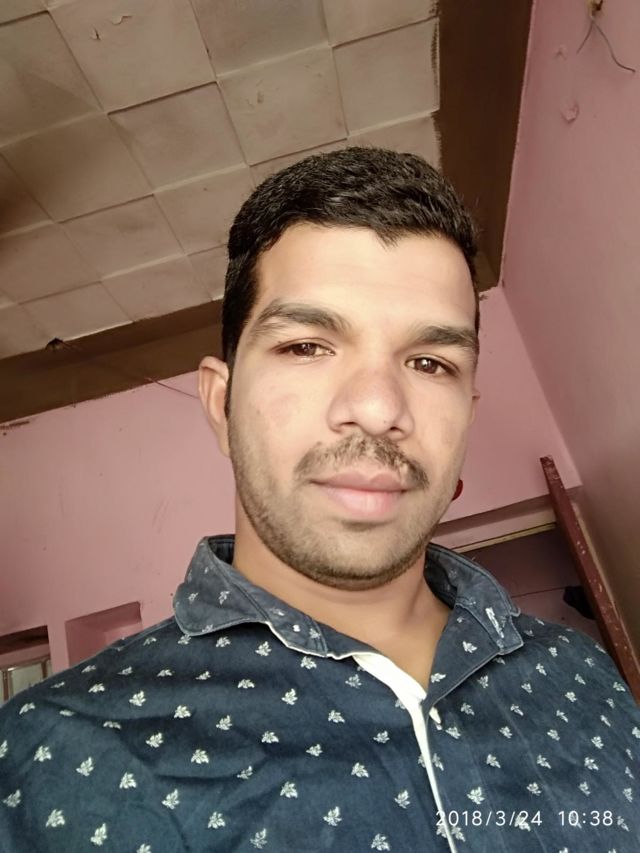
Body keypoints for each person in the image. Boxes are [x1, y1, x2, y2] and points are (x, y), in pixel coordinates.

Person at [0, 148, 638, 853]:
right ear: (220, 405)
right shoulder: (49, 758)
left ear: (468, 413)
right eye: (307, 346)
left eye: (430, 362)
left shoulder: (583, 674)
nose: (378, 407)